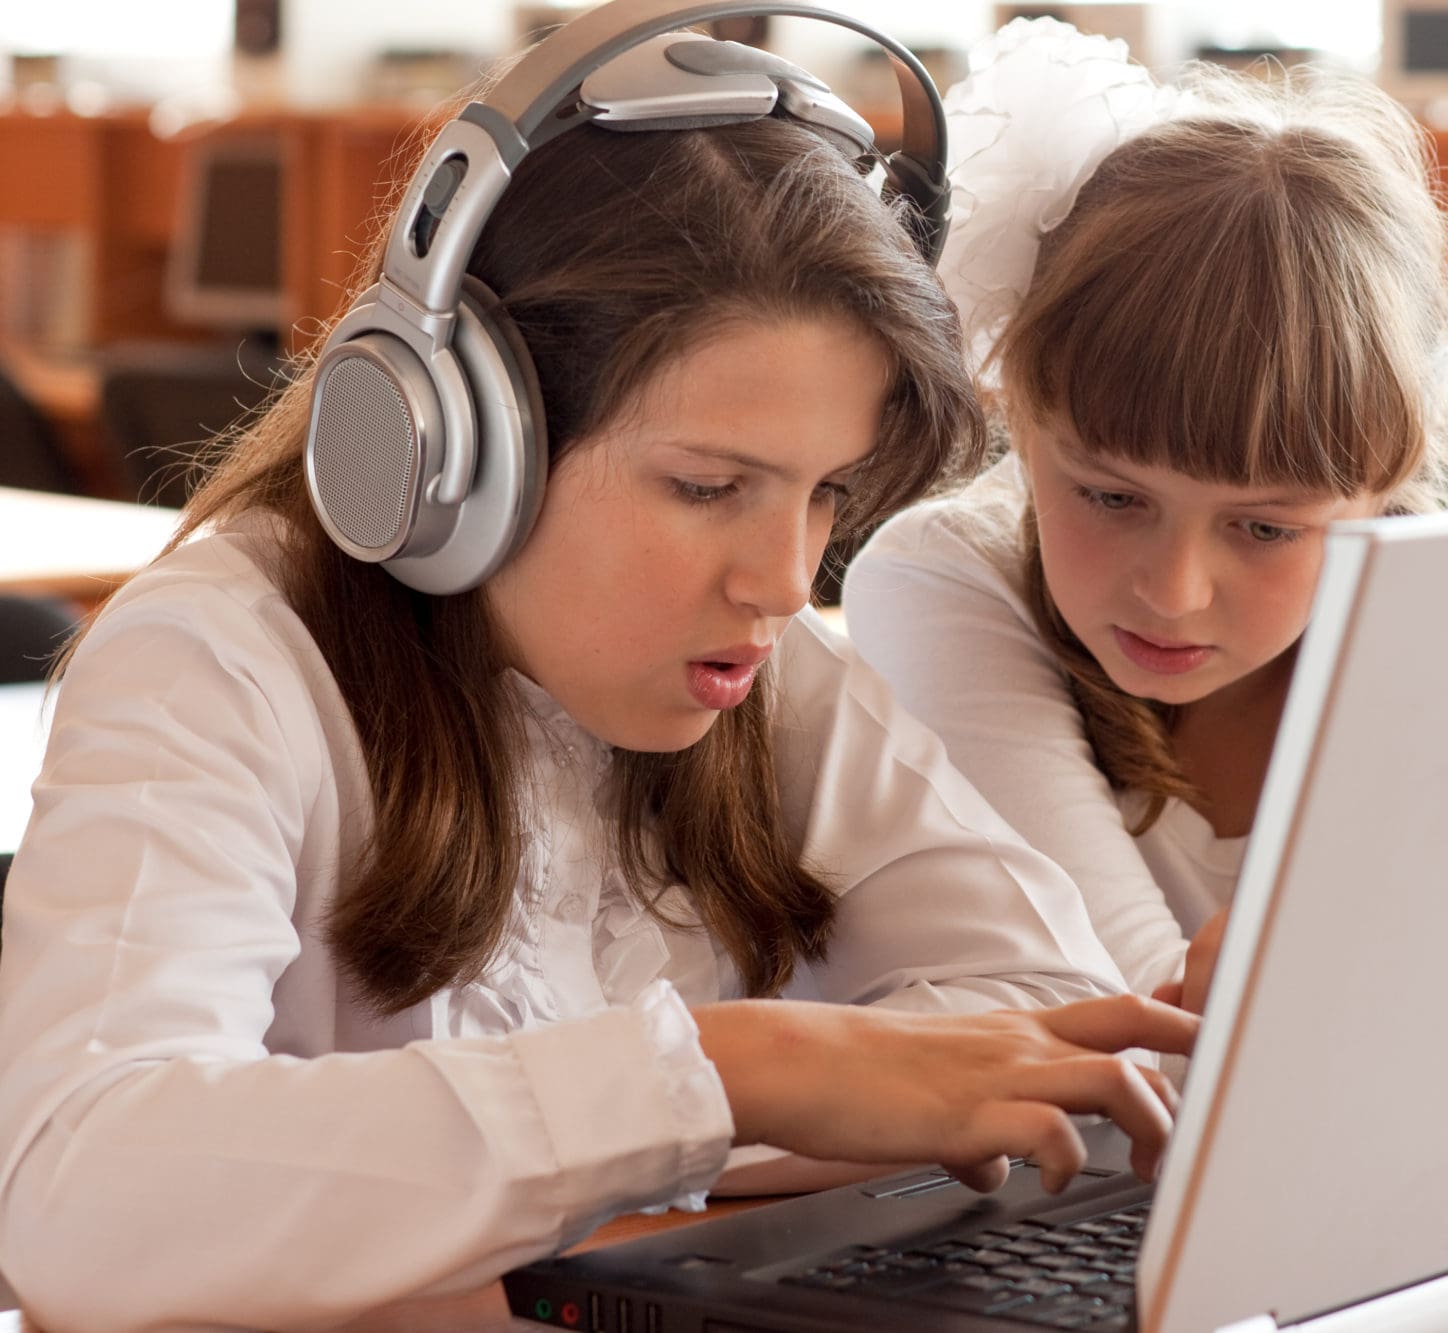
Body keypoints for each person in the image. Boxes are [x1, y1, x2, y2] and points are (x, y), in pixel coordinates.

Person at [0, 21, 1193, 1331]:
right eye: (706, 485)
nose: (787, 581)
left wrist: (720, 1119)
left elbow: (1054, 1021)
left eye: (825, 496)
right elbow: (81, 1195)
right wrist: (734, 1075)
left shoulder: (755, 661)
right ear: (452, 438)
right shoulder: (217, 661)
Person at [841, 19, 1448, 1082]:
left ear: (1381, 495)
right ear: (1021, 418)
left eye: (1265, 526)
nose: (1173, 592)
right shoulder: (942, 578)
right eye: (1106, 494)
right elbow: (1144, 1020)